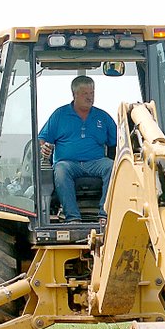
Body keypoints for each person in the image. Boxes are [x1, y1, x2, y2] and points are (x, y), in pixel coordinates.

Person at [38, 76, 117, 223]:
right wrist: (44, 148)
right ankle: (73, 218)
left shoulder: (103, 117)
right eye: (85, 93)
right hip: (68, 163)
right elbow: (42, 138)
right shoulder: (60, 115)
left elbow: (117, 141)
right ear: (74, 94)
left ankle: (104, 214)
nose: (90, 97)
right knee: (60, 170)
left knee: (112, 167)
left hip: (96, 162)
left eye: (92, 93)